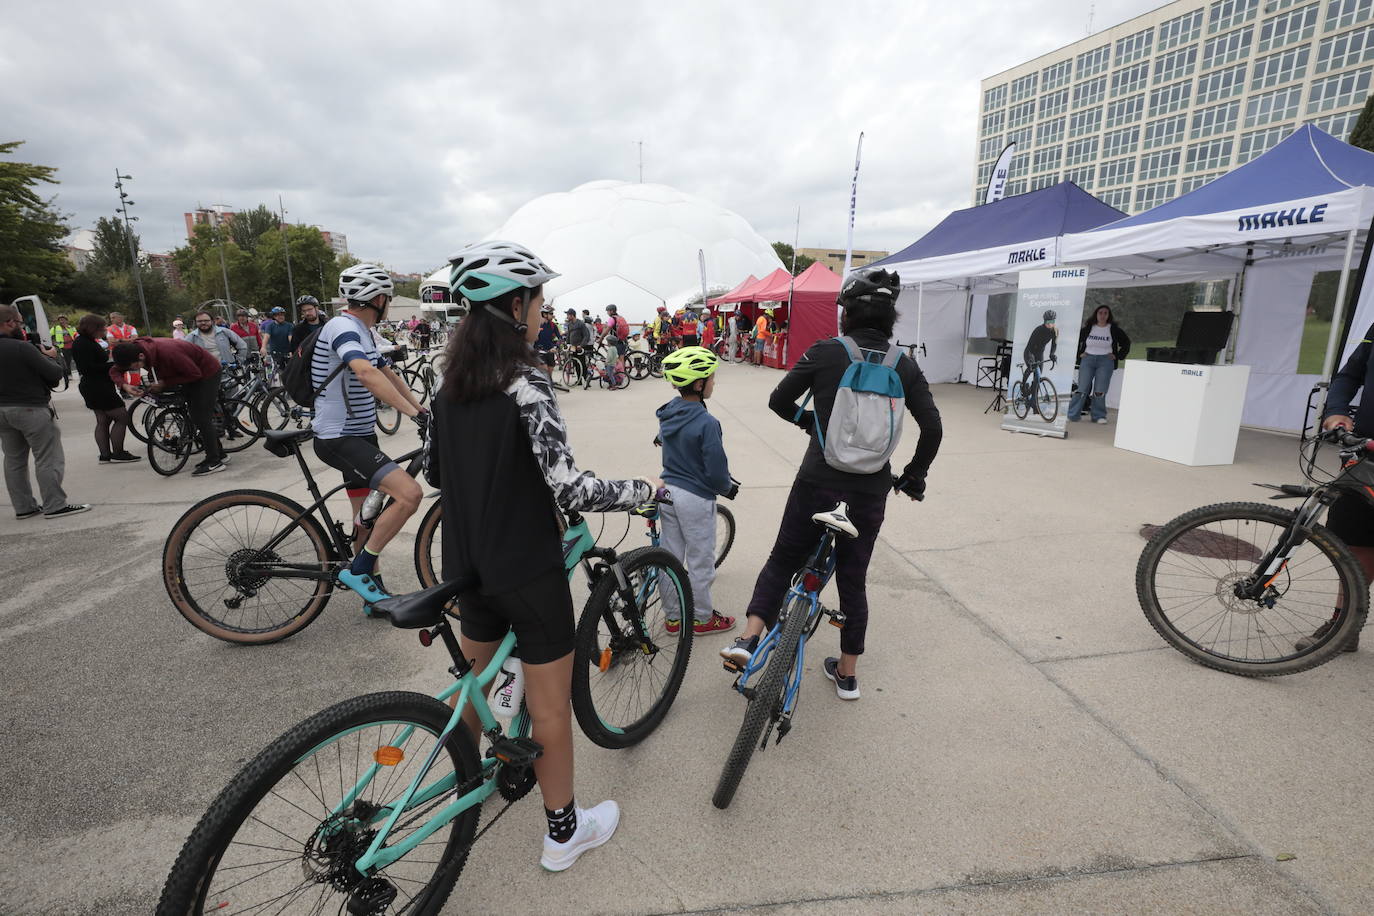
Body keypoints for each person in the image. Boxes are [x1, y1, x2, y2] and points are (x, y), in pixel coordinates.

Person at [432, 239, 655, 872]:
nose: (542, 309)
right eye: (538, 299)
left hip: (466, 565)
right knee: (550, 705)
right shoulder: (524, 380)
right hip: (526, 568)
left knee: (473, 691)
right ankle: (565, 833)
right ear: (515, 304)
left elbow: (436, 469)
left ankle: (455, 788)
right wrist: (641, 490)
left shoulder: (451, 387)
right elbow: (570, 488)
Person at [720, 269, 942, 700]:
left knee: (784, 556)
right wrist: (915, 474)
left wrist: (810, 423)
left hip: (818, 479)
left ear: (848, 314)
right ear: (890, 318)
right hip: (870, 488)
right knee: (853, 580)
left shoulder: (826, 352)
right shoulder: (904, 364)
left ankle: (747, 639)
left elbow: (778, 400)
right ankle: (847, 674)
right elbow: (932, 429)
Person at [312, 264, 427, 607]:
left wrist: (421, 411)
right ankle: (359, 570)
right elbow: (363, 372)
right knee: (409, 494)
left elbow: (387, 374)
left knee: (366, 517)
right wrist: (409, 414)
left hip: (360, 435)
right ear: (378, 298)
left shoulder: (364, 331)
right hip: (340, 438)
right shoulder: (342, 327)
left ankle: (370, 593)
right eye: (388, 299)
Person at [1296, 320, 1374, 653]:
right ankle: (1344, 625)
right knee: (1355, 543)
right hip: (1364, 456)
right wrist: (1338, 411)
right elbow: (1348, 375)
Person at [657, 346, 736, 634]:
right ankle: (702, 618)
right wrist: (726, 486)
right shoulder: (707, 422)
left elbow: (664, 437)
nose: (714, 383)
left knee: (671, 556)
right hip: (695, 497)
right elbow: (716, 469)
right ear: (699, 384)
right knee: (701, 560)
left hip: (667, 492)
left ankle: (674, 618)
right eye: (712, 379)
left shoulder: (669, 413)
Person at [0, 304, 91, 518]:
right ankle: (55, 505)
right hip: (30, 408)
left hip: (2, 411)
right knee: (47, 457)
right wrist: (49, 355)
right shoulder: (22, 348)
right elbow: (54, 373)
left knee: (13, 459)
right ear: (9, 323)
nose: (22, 327)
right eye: (20, 322)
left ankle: (23, 507)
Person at [111, 335, 227, 476]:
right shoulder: (130, 353)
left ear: (141, 356)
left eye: (134, 367)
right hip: (184, 372)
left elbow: (194, 374)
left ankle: (214, 461)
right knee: (195, 414)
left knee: (201, 417)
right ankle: (219, 453)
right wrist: (124, 385)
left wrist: (165, 383)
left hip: (207, 373)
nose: (133, 370)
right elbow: (115, 370)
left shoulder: (168, 352)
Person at [72, 314, 140, 464]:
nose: (104, 330)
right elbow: (88, 368)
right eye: (101, 327)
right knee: (122, 416)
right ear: (93, 328)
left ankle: (105, 454)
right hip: (98, 386)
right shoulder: (84, 344)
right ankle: (118, 452)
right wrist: (113, 366)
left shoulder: (84, 341)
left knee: (102, 420)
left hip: (92, 385)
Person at [1068, 305, 1131, 424]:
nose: (1102, 315)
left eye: (1105, 313)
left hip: (1105, 362)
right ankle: (1073, 415)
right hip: (1088, 360)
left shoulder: (1113, 329)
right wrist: (1079, 355)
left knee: (1100, 390)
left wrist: (1117, 356)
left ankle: (1098, 416)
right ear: (1096, 314)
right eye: (1100, 313)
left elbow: (1126, 343)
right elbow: (1075, 341)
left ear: (1109, 315)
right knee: (1082, 388)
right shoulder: (1088, 328)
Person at [1020, 309, 1059, 414]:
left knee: (1037, 378)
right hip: (1030, 352)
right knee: (1032, 368)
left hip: (1040, 354)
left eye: (1052, 322)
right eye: (1048, 322)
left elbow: (1054, 345)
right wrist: (1031, 359)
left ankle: (1034, 403)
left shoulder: (1055, 330)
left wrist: (1052, 355)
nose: (1050, 324)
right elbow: (1030, 345)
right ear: (1044, 321)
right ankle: (1023, 386)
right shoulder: (1038, 330)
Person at [106, 311, 141, 388]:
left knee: (135, 371)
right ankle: (124, 390)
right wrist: (128, 340)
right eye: (111, 318)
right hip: (118, 355)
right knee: (120, 372)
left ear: (120, 318)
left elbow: (135, 340)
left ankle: (136, 387)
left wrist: (119, 340)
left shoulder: (131, 328)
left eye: (113, 317)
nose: (111, 320)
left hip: (131, 353)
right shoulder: (109, 329)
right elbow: (111, 342)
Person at [51, 314, 77, 385]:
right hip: (63, 347)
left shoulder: (71, 327)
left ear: (66, 320)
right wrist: (53, 343)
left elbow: (76, 335)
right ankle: (68, 375)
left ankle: (80, 373)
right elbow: (49, 335)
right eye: (60, 320)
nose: (62, 321)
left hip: (72, 346)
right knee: (66, 361)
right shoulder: (55, 328)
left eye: (63, 319)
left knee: (76, 359)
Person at [535, 305, 562, 371]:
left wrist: (555, 347)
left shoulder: (553, 325)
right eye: (551, 313)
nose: (553, 315)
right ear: (544, 314)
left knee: (549, 374)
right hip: (539, 352)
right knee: (544, 370)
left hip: (550, 352)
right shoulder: (536, 324)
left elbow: (560, 338)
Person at [605, 304, 629, 373]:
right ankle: (623, 373)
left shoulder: (612, 319)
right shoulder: (620, 317)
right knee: (621, 358)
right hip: (623, 340)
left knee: (615, 359)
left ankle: (618, 374)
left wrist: (601, 338)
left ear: (612, 311)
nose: (607, 313)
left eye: (608, 311)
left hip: (615, 342)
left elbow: (607, 330)